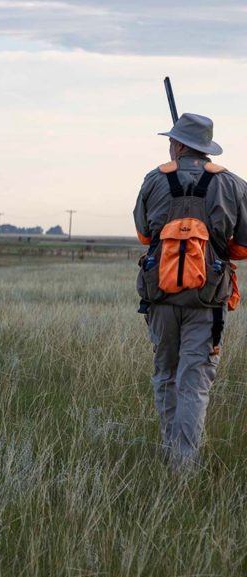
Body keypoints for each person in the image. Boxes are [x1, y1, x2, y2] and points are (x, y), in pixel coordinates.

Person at [134, 113, 247, 474]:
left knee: (165, 375)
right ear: (205, 147)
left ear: (180, 145)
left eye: (172, 140)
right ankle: (184, 467)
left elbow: (143, 235)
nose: (169, 144)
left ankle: (171, 454)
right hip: (207, 301)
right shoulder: (232, 184)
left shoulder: (154, 179)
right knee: (194, 381)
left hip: (161, 298)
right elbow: (242, 248)